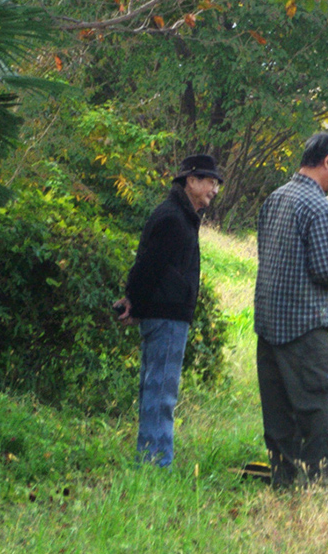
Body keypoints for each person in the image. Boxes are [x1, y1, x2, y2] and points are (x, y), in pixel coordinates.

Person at [254, 132, 328, 488]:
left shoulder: (275, 198)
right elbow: (326, 270)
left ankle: (285, 480)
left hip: (269, 322)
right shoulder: (318, 207)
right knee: (323, 400)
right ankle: (321, 480)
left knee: (279, 409)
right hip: (303, 324)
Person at [113, 154, 223, 467]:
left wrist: (136, 303)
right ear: (190, 181)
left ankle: (152, 459)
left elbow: (148, 267)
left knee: (157, 390)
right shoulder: (174, 218)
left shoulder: (180, 215)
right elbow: (148, 268)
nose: (214, 190)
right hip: (166, 316)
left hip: (166, 313)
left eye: (216, 184)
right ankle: (154, 463)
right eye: (209, 182)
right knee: (161, 393)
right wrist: (136, 303)